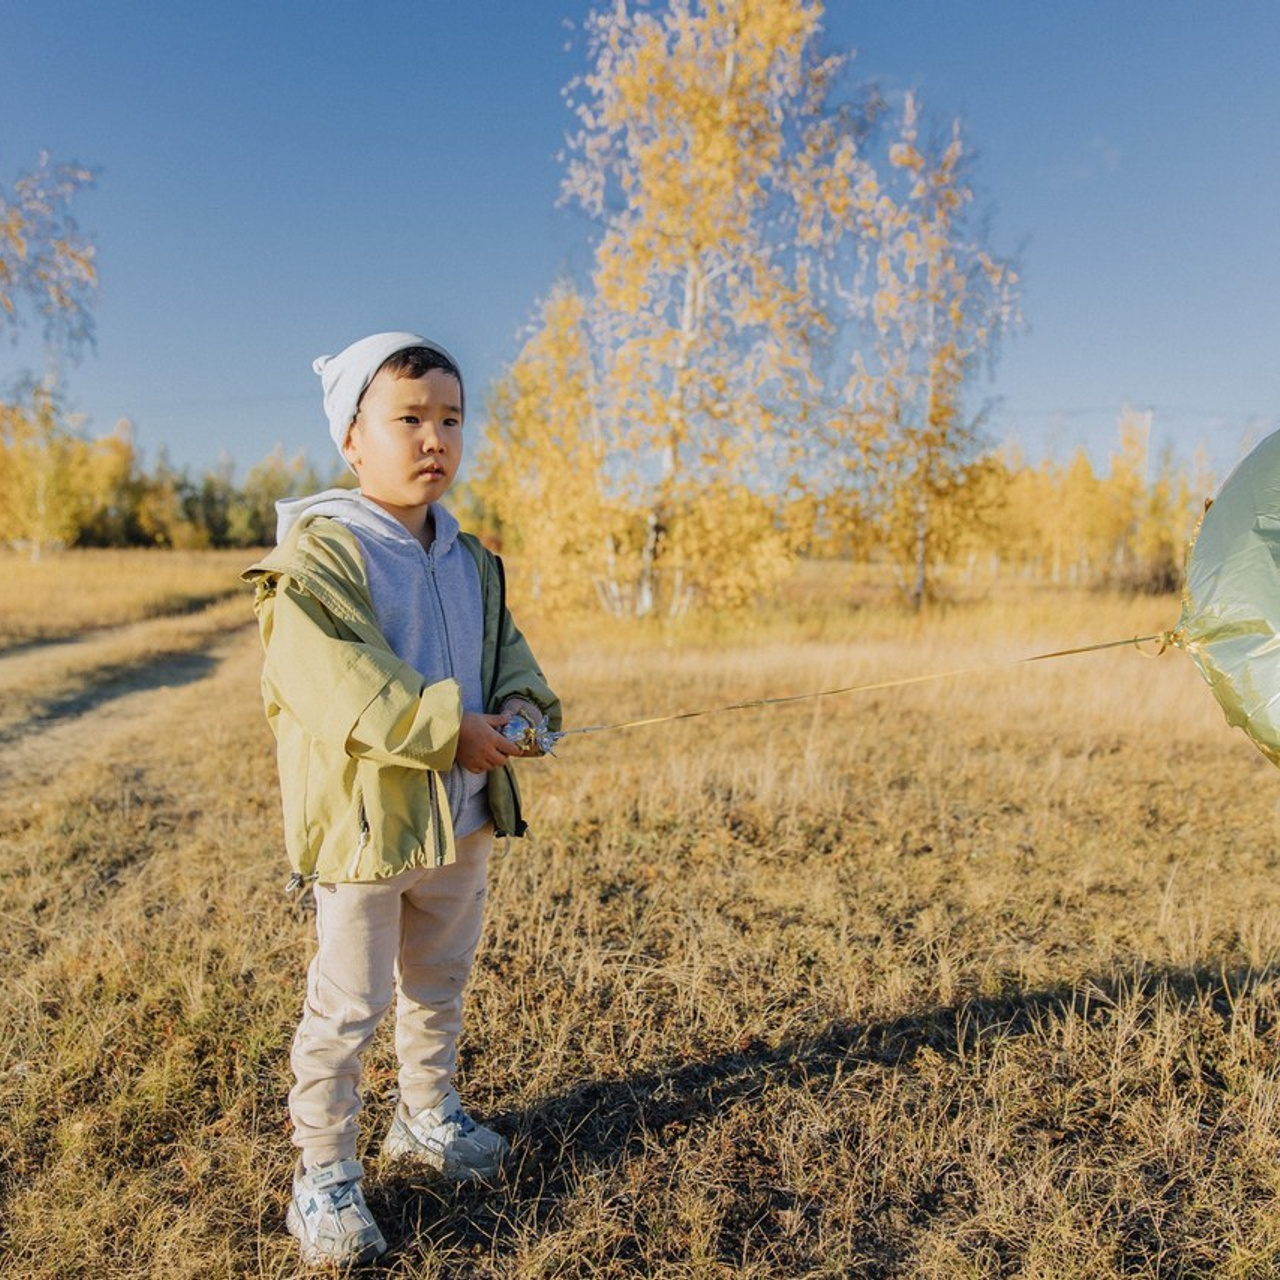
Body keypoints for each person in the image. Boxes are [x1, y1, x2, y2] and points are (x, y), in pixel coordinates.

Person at [243, 332, 561, 1267]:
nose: (435, 439)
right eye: (409, 419)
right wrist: (444, 728)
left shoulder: (472, 559)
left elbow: (511, 658)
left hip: (462, 819)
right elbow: (338, 681)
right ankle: (325, 1176)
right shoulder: (319, 558)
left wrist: (521, 710)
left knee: (438, 981)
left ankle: (425, 1114)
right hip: (369, 829)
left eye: (451, 419)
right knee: (347, 1006)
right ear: (352, 439)